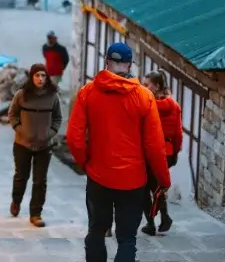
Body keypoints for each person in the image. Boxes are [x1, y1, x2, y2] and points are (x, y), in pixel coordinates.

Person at [66, 42, 171, 262]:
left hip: (99, 176)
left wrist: (86, 164)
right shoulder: (144, 97)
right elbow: (155, 145)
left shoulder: (87, 92)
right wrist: (163, 179)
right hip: (132, 181)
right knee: (127, 239)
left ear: (107, 62)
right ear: (129, 64)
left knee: (96, 231)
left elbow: (75, 138)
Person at [8, 64, 63, 227]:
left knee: (40, 180)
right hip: (22, 143)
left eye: (43, 75)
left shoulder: (53, 96)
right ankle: (16, 200)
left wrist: (50, 133)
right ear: (31, 77)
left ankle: (36, 213)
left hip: (44, 145)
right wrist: (20, 130)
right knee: (21, 176)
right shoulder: (22, 95)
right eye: (37, 75)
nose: (40, 79)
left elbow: (58, 118)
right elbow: (12, 114)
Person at [140, 70, 182, 236]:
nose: (144, 88)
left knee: (144, 187)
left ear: (156, 86)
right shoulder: (175, 106)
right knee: (157, 185)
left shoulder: (148, 106)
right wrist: (175, 152)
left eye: (146, 85)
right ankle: (164, 217)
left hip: (151, 152)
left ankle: (151, 222)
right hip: (168, 152)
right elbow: (178, 134)